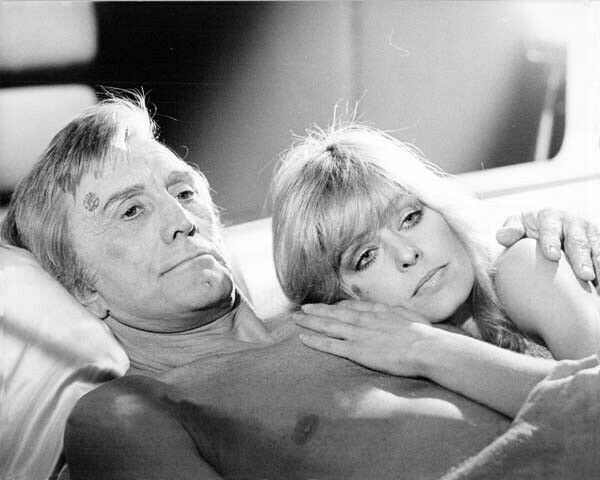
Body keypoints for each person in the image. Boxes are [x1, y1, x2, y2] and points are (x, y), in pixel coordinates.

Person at [2, 95, 599, 479]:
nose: (181, 219)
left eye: (184, 192)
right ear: (81, 287)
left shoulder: (359, 296)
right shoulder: (128, 411)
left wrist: (547, 245)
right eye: (131, 211)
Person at [272, 123, 600, 418]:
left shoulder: (524, 265)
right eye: (366, 256)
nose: (407, 253)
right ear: (339, 301)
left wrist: (424, 348)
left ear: (440, 207)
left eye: (410, 217)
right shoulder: (384, 364)